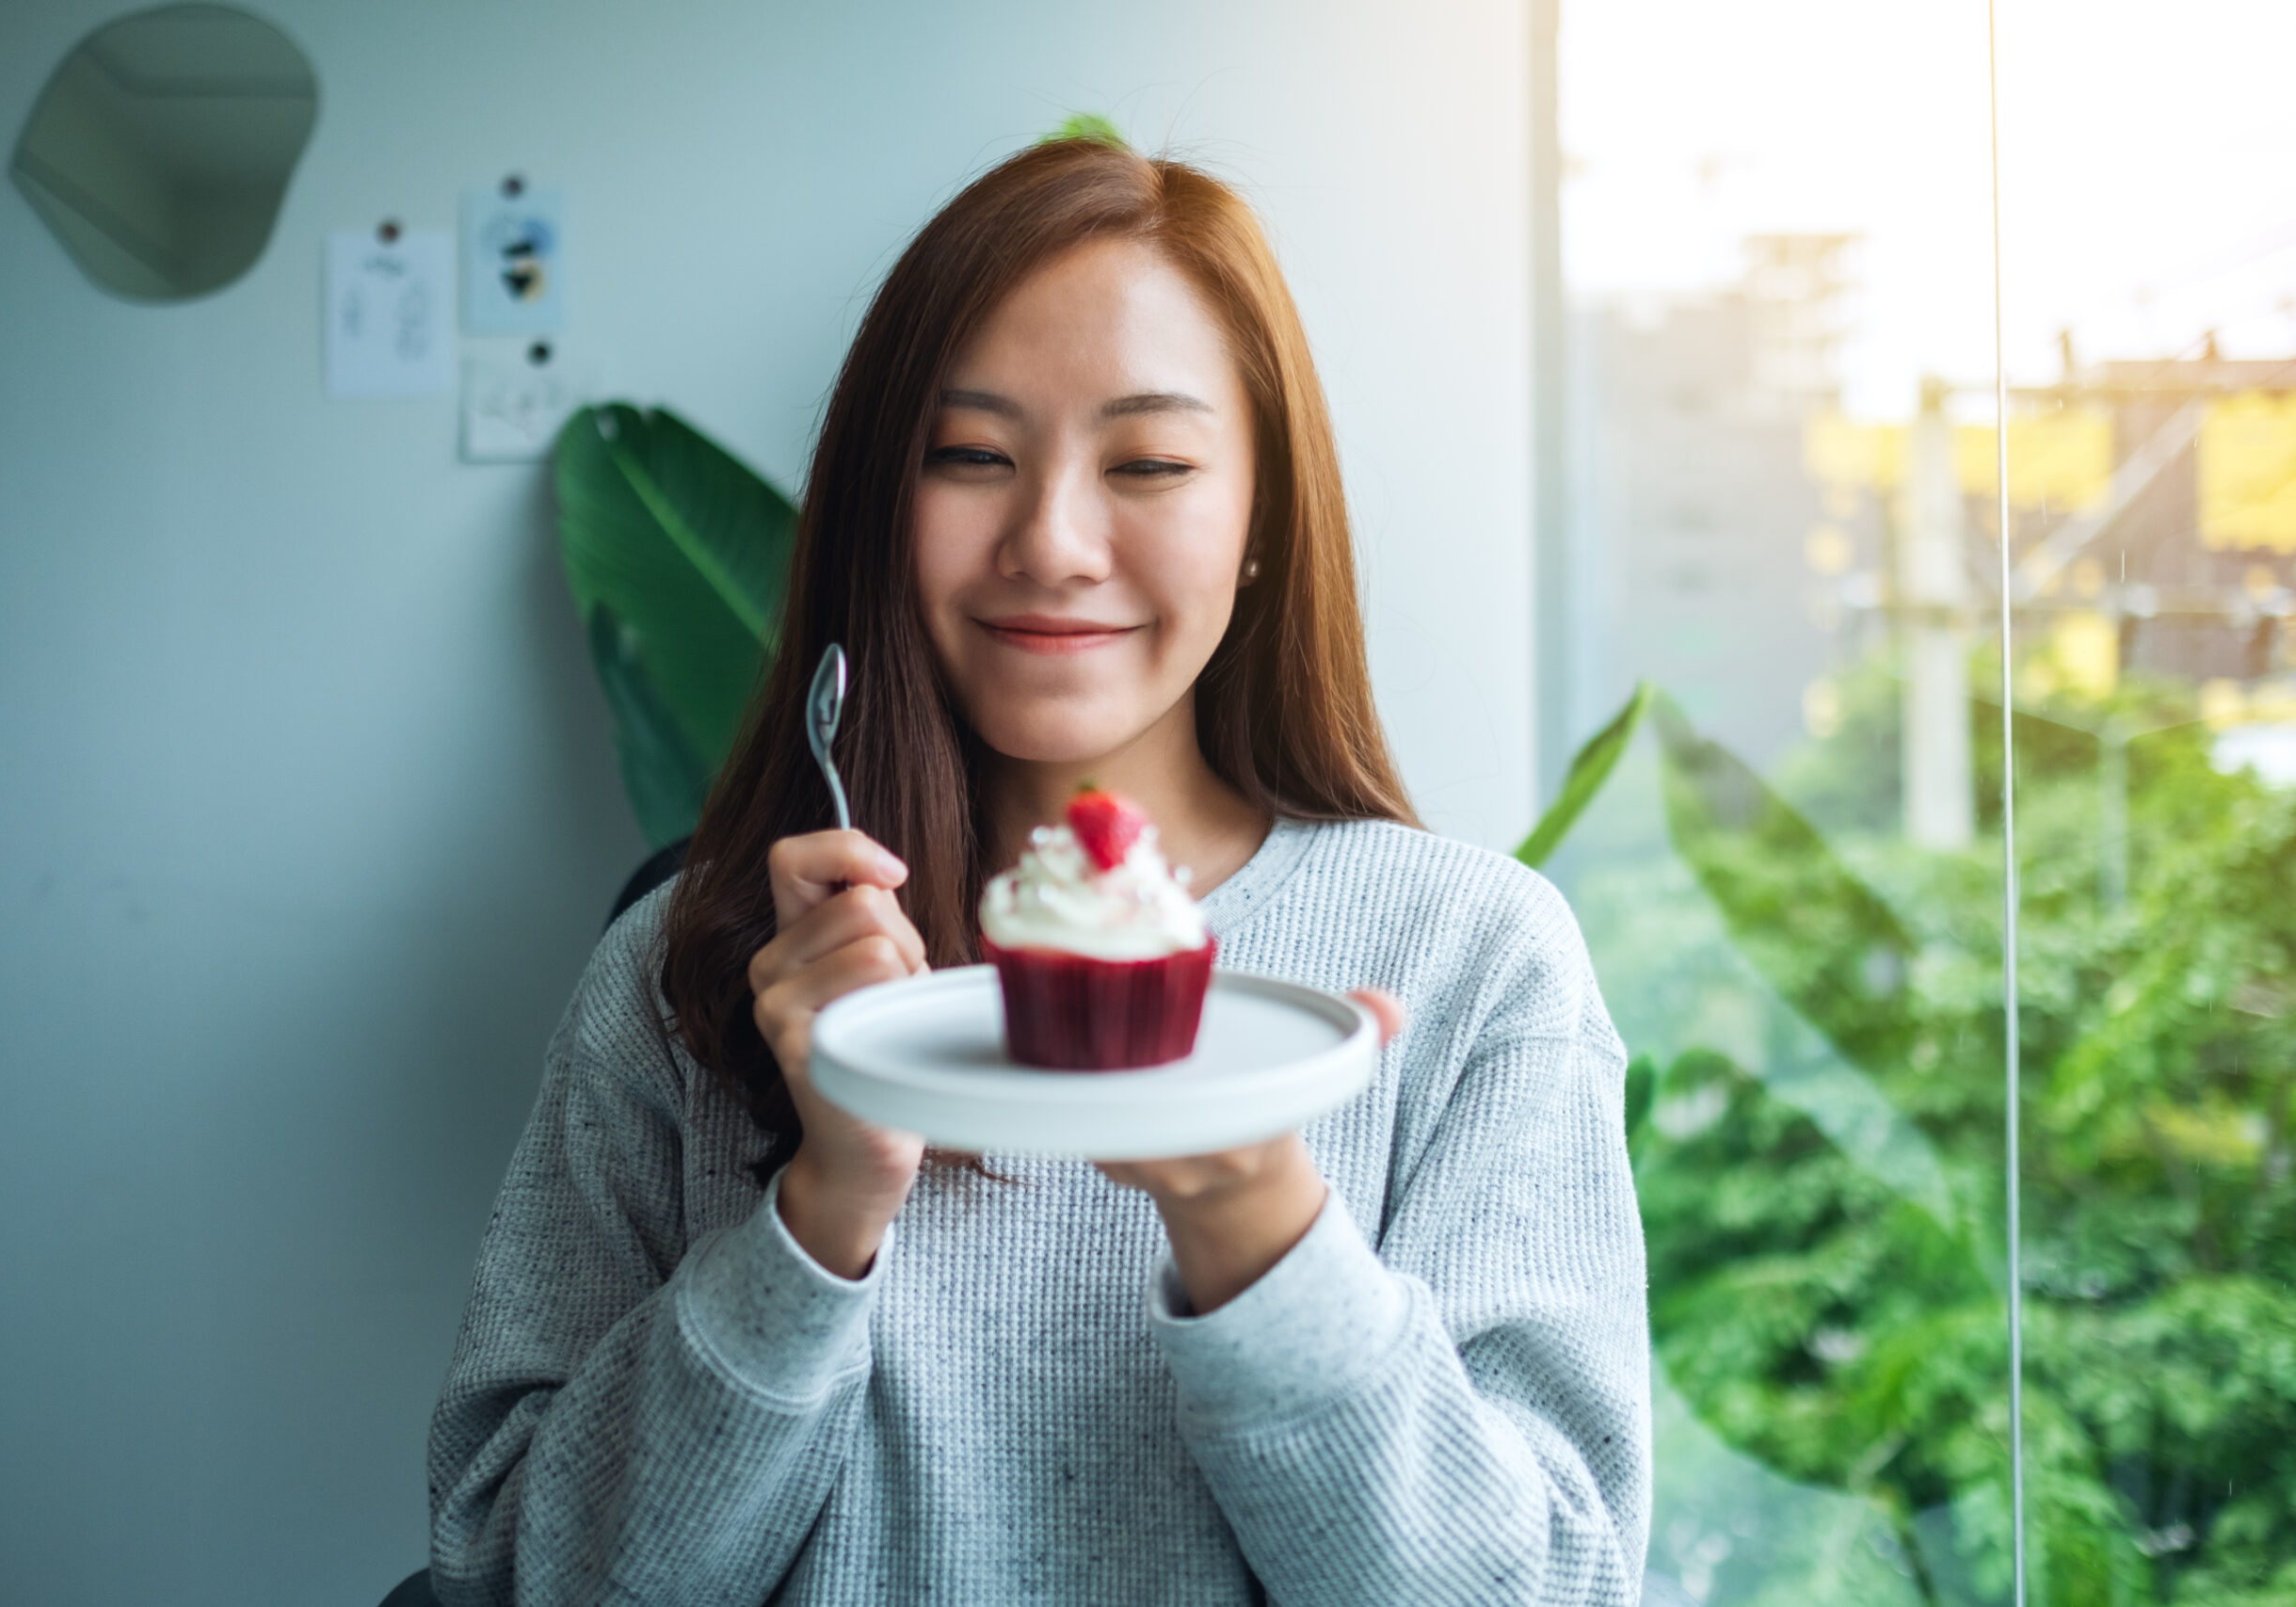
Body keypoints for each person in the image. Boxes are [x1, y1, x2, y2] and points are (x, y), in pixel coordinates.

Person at [427, 136, 1649, 1606]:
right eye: (972, 457)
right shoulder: (701, 970)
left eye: (1148, 463)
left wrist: (1258, 1220)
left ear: (1261, 520)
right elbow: (508, 1575)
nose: (1053, 542)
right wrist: (824, 1204)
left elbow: (1553, 1589)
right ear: (887, 501)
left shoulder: (1472, 959)